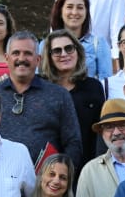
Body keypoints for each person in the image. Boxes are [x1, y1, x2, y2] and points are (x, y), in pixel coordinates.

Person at [0, 31, 84, 170]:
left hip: (45, 180)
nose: (21, 58)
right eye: (16, 53)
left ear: (38, 59)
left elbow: (73, 143)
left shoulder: (59, 95)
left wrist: (61, 175)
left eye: (28, 53)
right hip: (0, 177)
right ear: (6, 58)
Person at [41, 29, 106, 157]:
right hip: (50, 164)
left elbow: (101, 130)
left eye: (69, 48)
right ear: (49, 57)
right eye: (57, 50)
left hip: (87, 162)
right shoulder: (41, 87)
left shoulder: (94, 87)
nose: (64, 54)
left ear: (78, 51)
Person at [48, 0, 112, 79]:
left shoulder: (98, 44)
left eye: (80, 8)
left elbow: (105, 81)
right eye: (69, 7)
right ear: (60, 11)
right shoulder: (46, 44)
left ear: (86, 12)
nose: (74, 12)